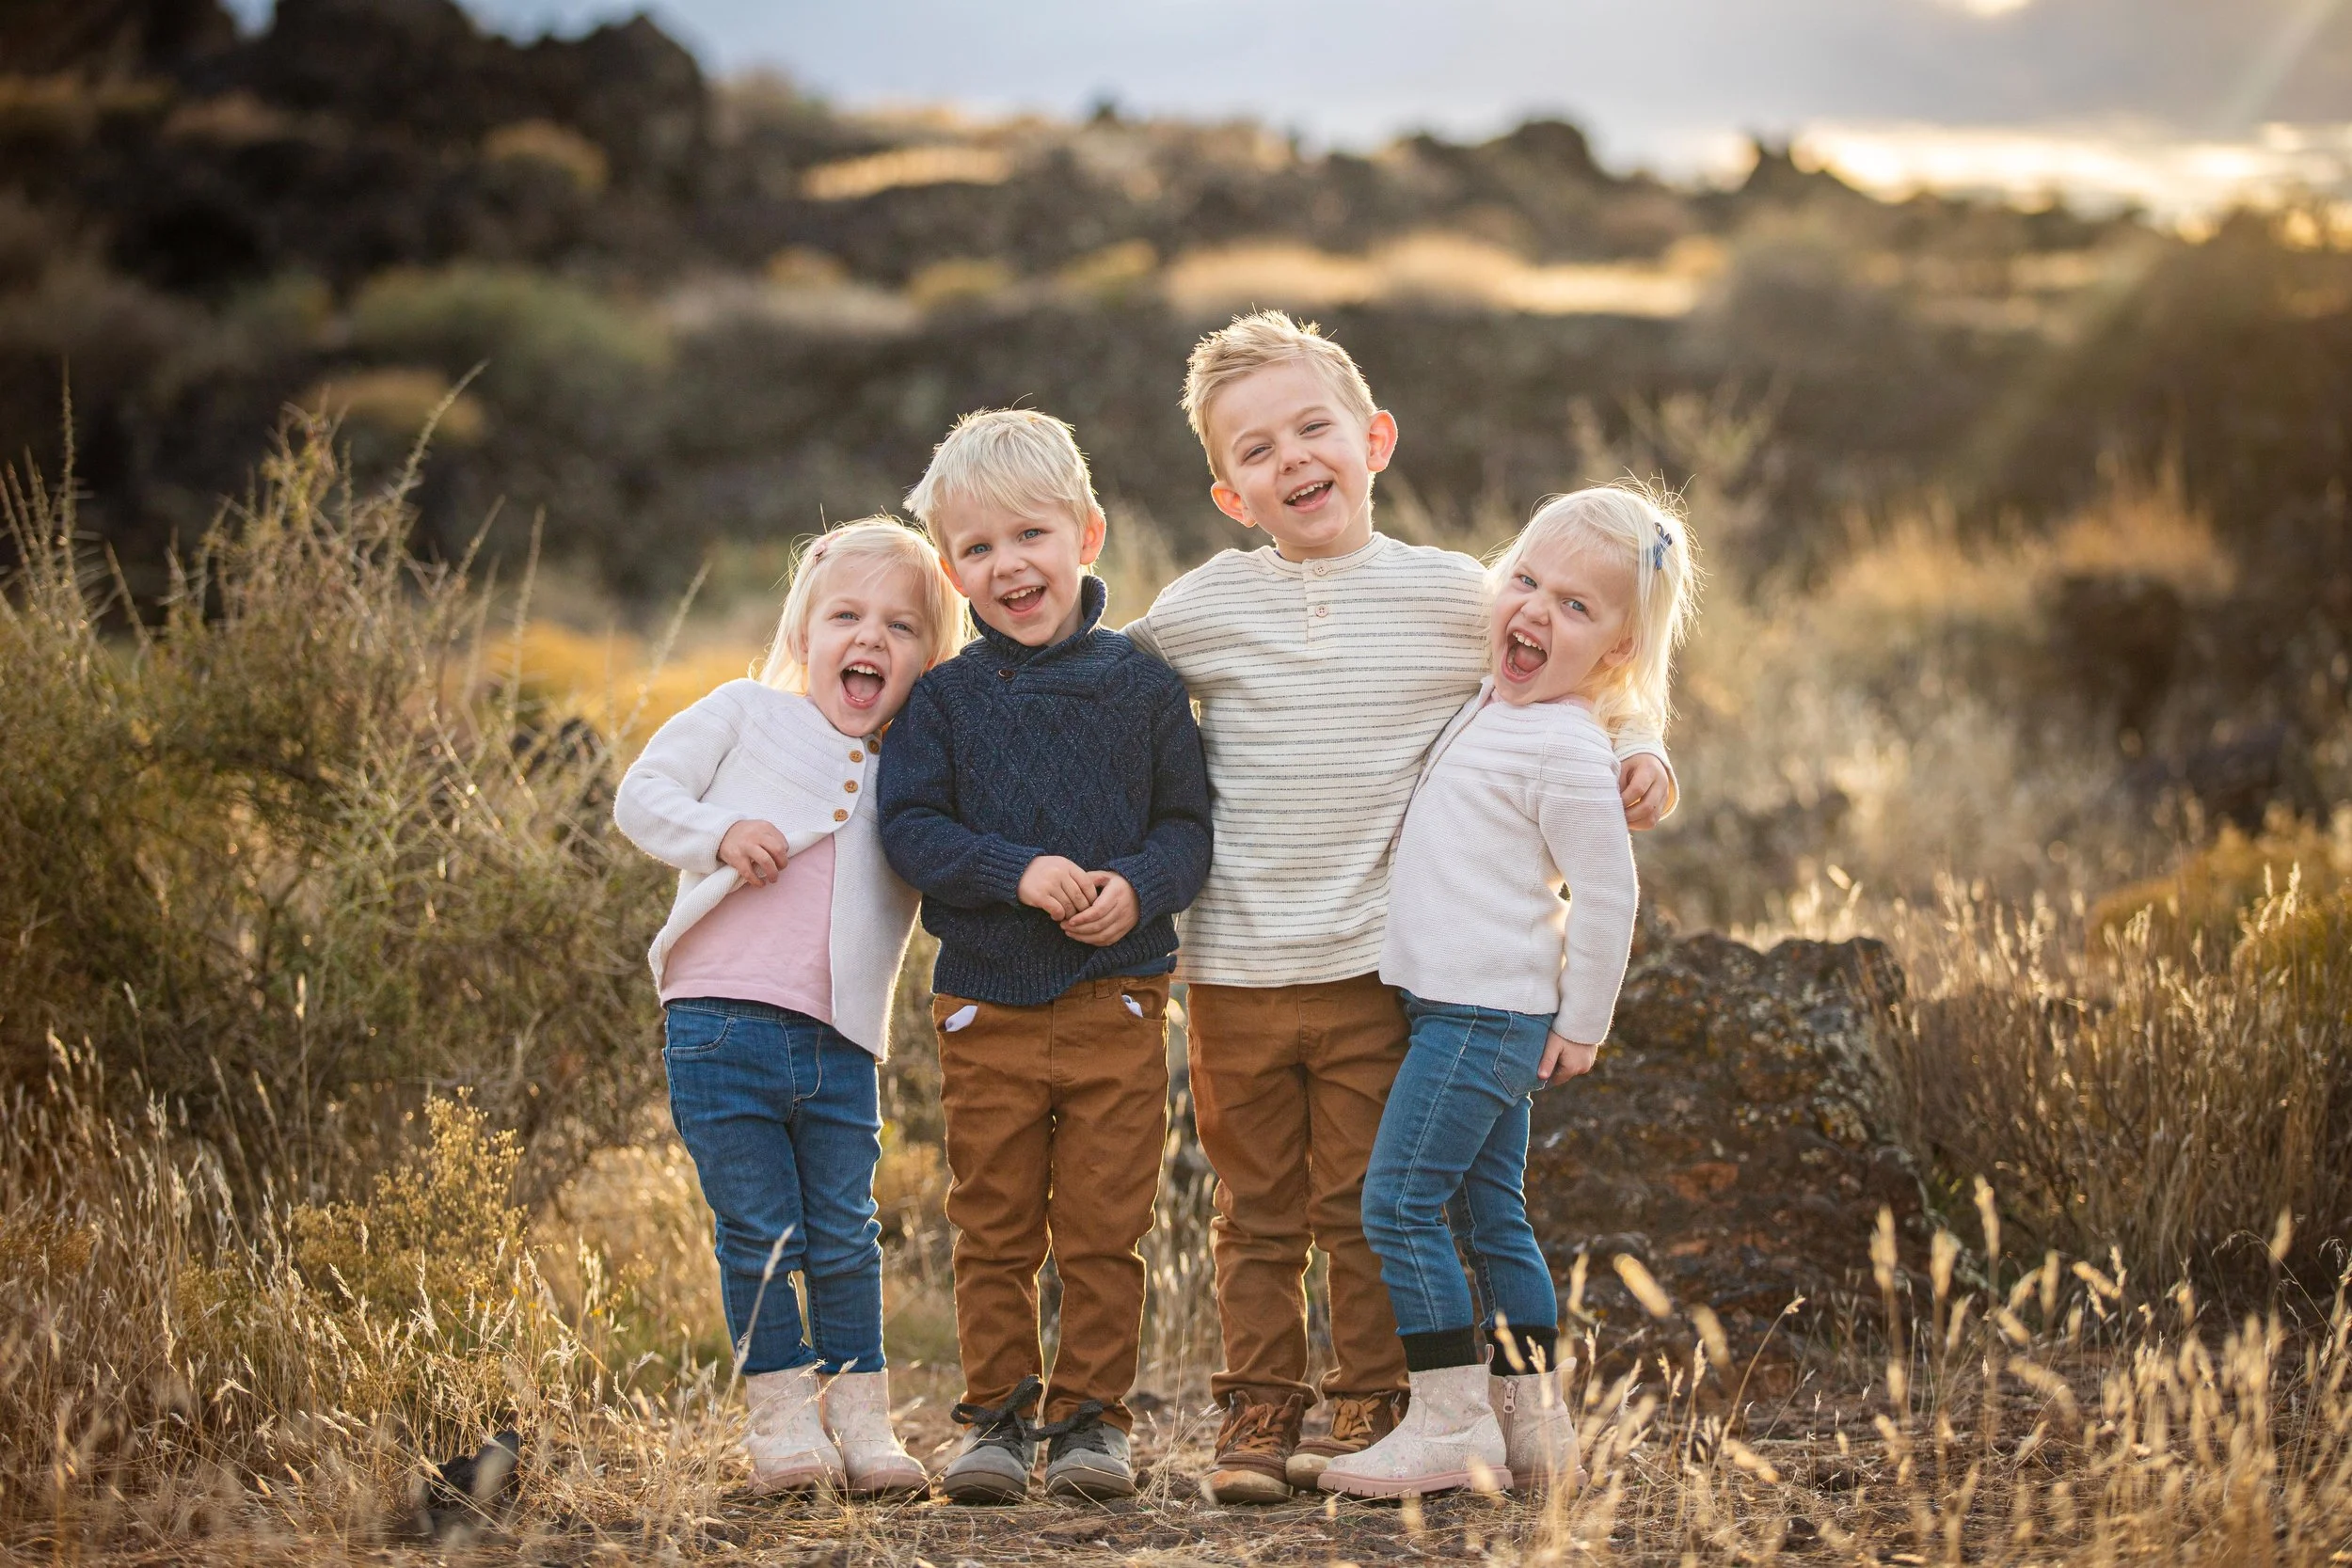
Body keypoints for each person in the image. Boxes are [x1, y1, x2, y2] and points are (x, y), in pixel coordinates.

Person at [1120, 311, 1678, 1502]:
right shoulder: (1204, 607)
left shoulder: (1454, 596)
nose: (1292, 459)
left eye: (1312, 427)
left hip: (1385, 969)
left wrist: (1645, 747)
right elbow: (1103, 690)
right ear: (1231, 495)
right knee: (1257, 1206)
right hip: (1234, 965)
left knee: (1370, 1207)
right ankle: (1259, 1411)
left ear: (1372, 437)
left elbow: (1578, 663)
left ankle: (1386, 1403)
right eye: (1256, 450)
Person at [1321, 483, 1697, 1497]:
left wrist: (1584, 1020)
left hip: (1487, 1011)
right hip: (1456, 1005)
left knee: (1399, 1202)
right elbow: (1611, 700)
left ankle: (1447, 1419)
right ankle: (1536, 1427)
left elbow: (1611, 891)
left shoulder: (1565, 746)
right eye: (1525, 579)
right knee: (1493, 1214)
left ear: (1615, 650)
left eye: (1575, 605)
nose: (1533, 610)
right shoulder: (1497, 694)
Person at [877, 408, 1213, 1504]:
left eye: (1029, 535)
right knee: (995, 1222)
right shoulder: (945, 699)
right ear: (951, 568)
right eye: (977, 548)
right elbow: (912, 829)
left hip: (1119, 994)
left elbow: (1187, 829)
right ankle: (993, 1417)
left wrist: (1139, 888)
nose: (1008, 565)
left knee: (1106, 1225)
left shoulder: (1146, 687)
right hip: (985, 1006)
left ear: (1087, 534)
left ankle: (1089, 1423)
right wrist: (1016, 869)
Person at [612, 516, 961, 1497]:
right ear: (804, 634)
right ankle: (780, 1424)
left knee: (847, 1233)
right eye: (846, 615)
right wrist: (717, 831)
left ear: (927, 660)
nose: (869, 638)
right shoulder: (742, 712)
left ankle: (863, 1418)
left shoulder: (912, 775)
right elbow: (643, 794)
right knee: (759, 1231)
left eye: (899, 626)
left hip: (843, 1042)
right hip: (719, 1023)